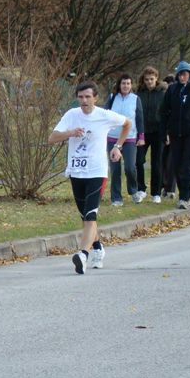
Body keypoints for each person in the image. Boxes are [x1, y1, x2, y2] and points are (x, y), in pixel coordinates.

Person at [48, 80, 131, 274]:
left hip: (97, 171)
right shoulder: (71, 115)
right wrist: (70, 133)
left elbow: (128, 123)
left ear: (95, 98)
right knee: (85, 217)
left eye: (87, 97)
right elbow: (52, 138)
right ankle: (98, 248)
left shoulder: (104, 115)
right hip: (76, 171)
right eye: (80, 97)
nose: (84, 101)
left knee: (90, 214)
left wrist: (117, 147)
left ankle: (83, 254)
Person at [160, 61, 190, 209]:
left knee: (187, 165)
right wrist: (164, 132)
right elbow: (164, 112)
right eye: (180, 74)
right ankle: (186, 192)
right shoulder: (172, 90)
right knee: (176, 165)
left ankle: (184, 197)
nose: (182, 77)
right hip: (175, 132)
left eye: (185, 74)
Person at [104, 74, 144, 206]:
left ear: (131, 85)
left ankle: (133, 191)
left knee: (130, 167)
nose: (125, 86)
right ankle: (116, 198)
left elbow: (139, 118)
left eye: (128, 83)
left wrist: (141, 137)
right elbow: (105, 115)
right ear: (119, 85)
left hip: (130, 138)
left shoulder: (136, 99)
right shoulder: (112, 97)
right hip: (113, 138)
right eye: (123, 83)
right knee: (115, 169)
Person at [136, 66, 167, 204]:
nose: (149, 82)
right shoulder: (139, 94)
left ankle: (156, 192)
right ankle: (141, 189)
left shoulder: (163, 93)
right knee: (138, 161)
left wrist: (167, 132)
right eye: (146, 79)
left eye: (151, 79)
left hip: (158, 132)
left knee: (157, 163)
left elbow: (167, 113)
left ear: (156, 79)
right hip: (142, 132)